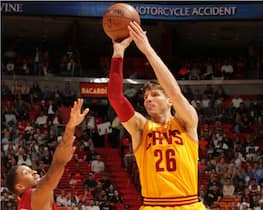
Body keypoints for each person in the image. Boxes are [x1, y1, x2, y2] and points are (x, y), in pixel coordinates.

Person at [107, 21, 205, 209]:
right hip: (154, 205)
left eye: (155, 95)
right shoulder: (141, 128)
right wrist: (118, 53)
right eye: (145, 97)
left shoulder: (186, 121)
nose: (148, 100)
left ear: (169, 101)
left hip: (188, 204)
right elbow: (115, 97)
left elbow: (175, 92)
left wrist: (147, 50)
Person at [6, 98, 89, 210]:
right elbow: (56, 166)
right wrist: (70, 127)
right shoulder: (34, 195)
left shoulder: (27, 202)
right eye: (27, 173)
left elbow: (56, 167)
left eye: (31, 170)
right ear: (20, 186)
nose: (34, 172)